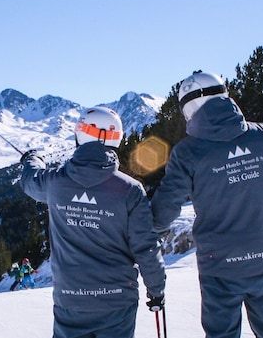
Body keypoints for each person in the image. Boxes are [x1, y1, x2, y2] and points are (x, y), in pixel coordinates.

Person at [150, 71, 263, 338]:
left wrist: (141, 235)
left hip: (219, 265)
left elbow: (166, 208)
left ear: (189, 107)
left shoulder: (188, 152)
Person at [20, 106, 166, 338]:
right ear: (116, 138)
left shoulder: (55, 182)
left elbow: (30, 180)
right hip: (117, 300)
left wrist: (32, 159)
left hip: (71, 299)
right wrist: (156, 289)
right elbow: (145, 246)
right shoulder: (130, 190)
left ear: (80, 134)